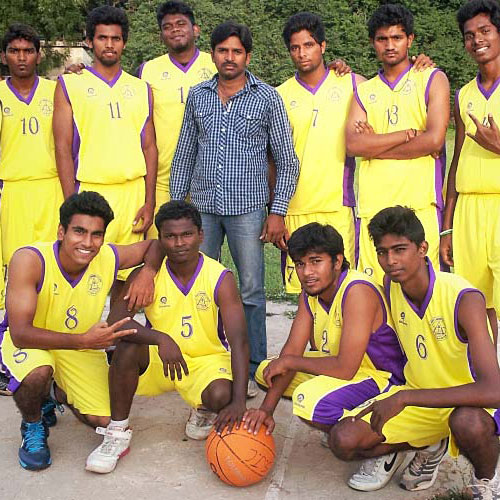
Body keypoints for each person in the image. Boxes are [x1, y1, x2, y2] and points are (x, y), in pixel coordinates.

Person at [329, 206, 500, 499]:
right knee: (343, 440)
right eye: (382, 252)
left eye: (399, 250)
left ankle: (488, 479)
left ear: (422, 249)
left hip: (469, 403)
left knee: (467, 424)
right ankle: (429, 445)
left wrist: (404, 398)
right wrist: (397, 393)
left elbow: (493, 391)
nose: (390, 261)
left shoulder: (464, 298)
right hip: (420, 396)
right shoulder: (391, 285)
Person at [170, 21, 299, 396]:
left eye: (237, 51)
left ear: (248, 56)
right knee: (200, 286)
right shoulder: (199, 96)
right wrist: (176, 209)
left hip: (248, 210)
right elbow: (184, 155)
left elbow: (287, 162)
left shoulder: (267, 98)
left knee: (252, 290)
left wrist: (277, 211)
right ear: (213, 54)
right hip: (203, 209)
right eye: (223, 50)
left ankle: (254, 365)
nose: (230, 57)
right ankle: (207, 361)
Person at [85, 200, 249, 474]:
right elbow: (115, 322)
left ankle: (203, 408)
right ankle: (117, 432)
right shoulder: (145, 276)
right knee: (127, 347)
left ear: (201, 235)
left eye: (187, 234)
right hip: (160, 359)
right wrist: (160, 338)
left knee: (222, 394)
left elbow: (239, 341)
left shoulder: (220, 277)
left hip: (205, 360)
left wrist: (239, 401)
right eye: (170, 236)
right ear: (159, 240)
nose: (179, 243)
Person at [0, 191, 160, 471]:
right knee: (37, 372)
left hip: (79, 348)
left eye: (96, 234)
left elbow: (153, 246)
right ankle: (33, 423)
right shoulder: (30, 259)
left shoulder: (107, 256)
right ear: (61, 231)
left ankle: (54, 393)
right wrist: (84, 340)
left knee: (108, 421)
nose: (88, 243)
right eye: (79, 231)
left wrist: (147, 273)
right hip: (31, 344)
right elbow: (21, 333)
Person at [242, 222, 405, 446]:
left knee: (309, 401)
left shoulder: (357, 291)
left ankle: (378, 435)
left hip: (383, 378)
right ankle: (346, 419)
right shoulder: (310, 292)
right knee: (267, 371)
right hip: (351, 371)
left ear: (337, 261)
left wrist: (290, 362)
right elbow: (293, 349)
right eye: (300, 264)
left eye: (316, 261)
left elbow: (345, 368)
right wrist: (266, 410)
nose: (307, 272)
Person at [53, 5, 158, 303]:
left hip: (132, 193)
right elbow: (62, 148)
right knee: (82, 272)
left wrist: (149, 201)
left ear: (124, 42)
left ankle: (116, 334)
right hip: (91, 190)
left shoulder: (141, 88)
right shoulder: (69, 84)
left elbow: (150, 147)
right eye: (102, 38)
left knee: (126, 277)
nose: (109, 44)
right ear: (90, 41)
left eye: (115, 38)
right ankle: (80, 330)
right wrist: (70, 202)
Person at [346, 4, 450, 284]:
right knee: (373, 294)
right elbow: (353, 145)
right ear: (372, 42)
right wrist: (407, 135)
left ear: (410, 39)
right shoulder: (364, 91)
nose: (390, 45)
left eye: (397, 38)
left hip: (420, 205)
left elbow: (434, 140)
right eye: (382, 39)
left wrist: (375, 146)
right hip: (374, 207)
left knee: (425, 292)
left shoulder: (432, 78)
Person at [276, 13, 361, 293]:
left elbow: (388, 86)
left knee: (343, 286)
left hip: (337, 205)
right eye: (295, 47)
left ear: (323, 46)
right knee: (305, 291)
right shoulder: (279, 95)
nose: (302, 53)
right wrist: (276, 210)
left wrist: (419, 65)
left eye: (309, 45)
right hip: (296, 207)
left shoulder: (352, 84)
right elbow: (272, 160)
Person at [441, 0, 500, 343]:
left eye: (485, 31)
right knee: (477, 304)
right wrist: (447, 227)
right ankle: (488, 371)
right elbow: (457, 161)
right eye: (469, 35)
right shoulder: (464, 94)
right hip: (468, 211)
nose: (476, 39)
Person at [138, 1, 216, 239]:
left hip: (209, 179)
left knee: (203, 252)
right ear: (161, 35)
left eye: (181, 24)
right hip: (163, 180)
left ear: (196, 29)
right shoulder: (147, 70)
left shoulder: (216, 64)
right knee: (160, 247)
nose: (175, 30)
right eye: (167, 26)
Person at [0, 24, 64, 308]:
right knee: (15, 260)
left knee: (53, 259)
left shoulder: (58, 90)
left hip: (52, 187)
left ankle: (54, 320)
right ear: (4, 57)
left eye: (28, 51)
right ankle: (12, 325)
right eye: (14, 51)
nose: (22, 57)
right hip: (13, 190)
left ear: (39, 55)